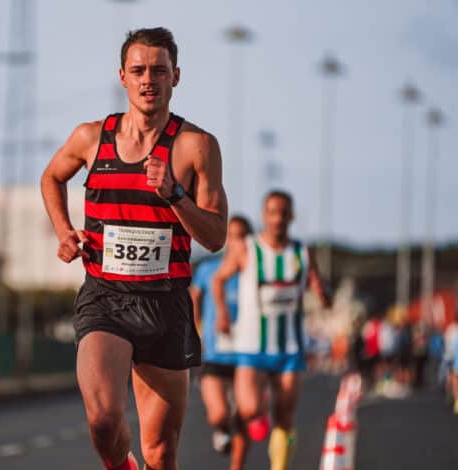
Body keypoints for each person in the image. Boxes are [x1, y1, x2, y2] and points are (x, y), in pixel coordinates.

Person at [40, 27, 228, 469]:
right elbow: (51, 177)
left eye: (159, 71)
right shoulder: (91, 138)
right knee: (104, 419)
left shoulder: (196, 146)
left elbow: (215, 237)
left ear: (175, 77)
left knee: (160, 454)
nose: (149, 80)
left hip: (166, 305)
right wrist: (64, 229)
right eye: (139, 70)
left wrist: (175, 195)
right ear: (121, 76)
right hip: (105, 296)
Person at [211, 190, 329, 470]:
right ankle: (255, 414)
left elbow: (319, 286)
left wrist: (324, 295)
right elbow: (218, 280)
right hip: (252, 347)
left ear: (291, 216)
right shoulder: (247, 248)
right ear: (264, 215)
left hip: (290, 347)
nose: (278, 219)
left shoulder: (302, 251)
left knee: (285, 416)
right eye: (272, 212)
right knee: (250, 409)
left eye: (283, 213)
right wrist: (223, 314)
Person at [190, 215, 252, 466]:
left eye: (242, 236)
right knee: (219, 414)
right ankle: (221, 429)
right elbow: (194, 297)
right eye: (232, 236)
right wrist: (196, 330)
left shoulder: (253, 268)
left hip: (246, 353)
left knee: (245, 416)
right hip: (215, 352)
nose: (236, 242)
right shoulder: (209, 268)